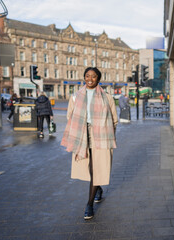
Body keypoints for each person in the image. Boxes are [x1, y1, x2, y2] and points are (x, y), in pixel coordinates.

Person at [61, 67, 118, 220]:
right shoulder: (75, 97)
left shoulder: (108, 97)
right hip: (82, 134)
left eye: (93, 76)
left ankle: (89, 204)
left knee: (95, 167)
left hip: (101, 135)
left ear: (98, 79)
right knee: (89, 166)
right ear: (84, 78)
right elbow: (70, 116)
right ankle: (98, 188)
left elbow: (114, 119)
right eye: (87, 76)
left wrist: (110, 135)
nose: (90, 79)